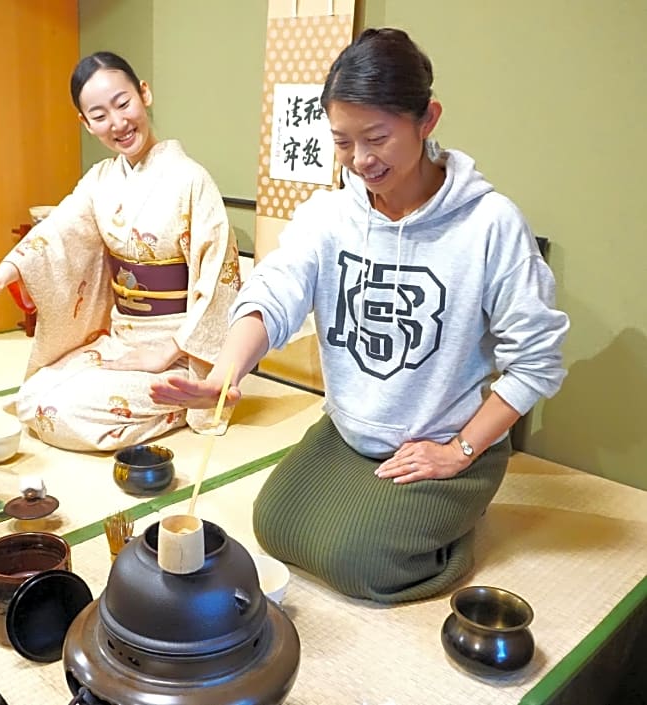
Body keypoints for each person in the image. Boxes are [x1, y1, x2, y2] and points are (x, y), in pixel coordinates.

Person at [151, 28, 569, 603]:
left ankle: (456, 525)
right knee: (273, 525)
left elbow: (537, 364)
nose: (360, 161)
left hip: (445, 440)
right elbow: (274, 291)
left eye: (377, 138)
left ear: (428, 119)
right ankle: (395, 513)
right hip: (351, 431)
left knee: (359, 564)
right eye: (342, 142)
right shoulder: (330, 215)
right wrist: (224, 377)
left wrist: (460, 451)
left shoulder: (490, 224)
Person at [0, 52, 240, 452]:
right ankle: (155, 409)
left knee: (64, 408)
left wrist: (169, 350)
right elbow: (56, 233)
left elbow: (219, 279)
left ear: (144, 94)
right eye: (99, 115)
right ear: (85, 123)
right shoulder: (101, 180)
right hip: (119, 339)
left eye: (123, 103)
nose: (117, 123)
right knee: (33, 396)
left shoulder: (191, 180)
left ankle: (180, 405)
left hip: (179, 349)